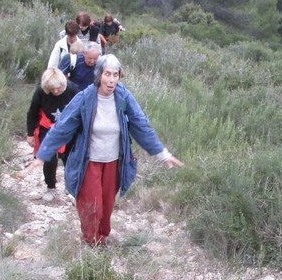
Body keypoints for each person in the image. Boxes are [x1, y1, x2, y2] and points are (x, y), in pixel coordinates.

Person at [37, 54, 183, 246]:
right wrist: (42, 155)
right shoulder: (85, 98)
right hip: (89, 161)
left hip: (114, 162)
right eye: (107, 74)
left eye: (116, 75)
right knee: (91, 204)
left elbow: (141, 125)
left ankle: (102, 237)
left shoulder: (124, 97)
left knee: (106, 206)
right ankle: (91, 241)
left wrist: (162, 154)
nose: (112, 80)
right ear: (98, 76)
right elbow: (63, 126)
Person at [26, 68, 79, 202]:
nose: (55, 91)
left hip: (69, 128)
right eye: (51, 89)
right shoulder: (41, 92)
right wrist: (30, 134)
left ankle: (72, 188)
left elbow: (83, 112)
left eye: (58, 88)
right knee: (48, 157)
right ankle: (51, 187)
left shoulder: (73, 90)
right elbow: (32, 112)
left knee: (70, 158)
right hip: (47, 127)